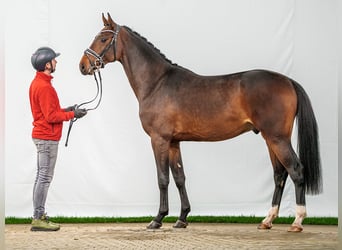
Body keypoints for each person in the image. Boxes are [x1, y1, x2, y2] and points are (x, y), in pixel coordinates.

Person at [29, 47, 87, 231]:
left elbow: (51, 111)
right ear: (47, 64)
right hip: (47, 138)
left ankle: (39, 215)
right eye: (54, 60)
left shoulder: (38, 83)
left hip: (43, 136)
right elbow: (51, 117)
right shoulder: (45, 87)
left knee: (41, 177)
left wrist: (68, 109)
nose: (56, 62)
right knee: (44, 178)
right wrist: (72, 114)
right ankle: (38, 218)